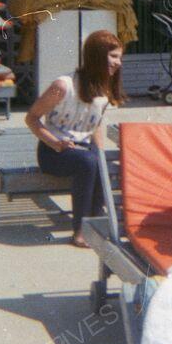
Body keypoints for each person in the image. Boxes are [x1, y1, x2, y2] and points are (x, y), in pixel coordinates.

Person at [25, 30, 124, 247]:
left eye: (119, 58)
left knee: (100, 163)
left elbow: (96, 126)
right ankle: (79, 231)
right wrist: (54, 143)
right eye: (114, 56)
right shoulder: (63, 86)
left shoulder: (103, 91)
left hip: (81, 151)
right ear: (97, 55)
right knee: (88, 162)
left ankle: (96, 225)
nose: (118, 63)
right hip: (53, 152)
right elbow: (31, 118)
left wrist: (100, 155)